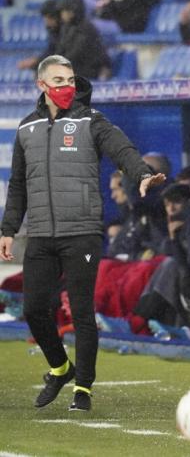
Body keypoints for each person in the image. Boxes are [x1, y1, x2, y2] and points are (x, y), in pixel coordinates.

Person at [0, 55, 165, 411]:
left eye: (71, 80)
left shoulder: (91, 121)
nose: (67, 87)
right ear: (42, 85)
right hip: (41, 234)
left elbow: (122, 149)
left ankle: (83, 389)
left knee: (81, 311)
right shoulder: (27, 128)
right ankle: (60, 368)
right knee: (33, 309)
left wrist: (142, 174)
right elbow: (17, 186)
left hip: (83, 233)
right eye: (59, 80)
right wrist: (8, 229)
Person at [55, 0, 111, 80]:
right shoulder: (67, 28)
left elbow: (76, 52)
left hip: (91, 69)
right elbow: (61, 49)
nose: (62, 15)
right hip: (76, 68)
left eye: (64, 11)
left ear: (72, 12)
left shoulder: (86, 28)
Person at [17, 0, 62, 72]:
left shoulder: (66, 33)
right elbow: (51, 50)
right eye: (45, 18)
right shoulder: (53, 30)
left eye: (49, 18)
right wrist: (36, 61)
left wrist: (36, 61)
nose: (47, 22)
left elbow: (58, 54)